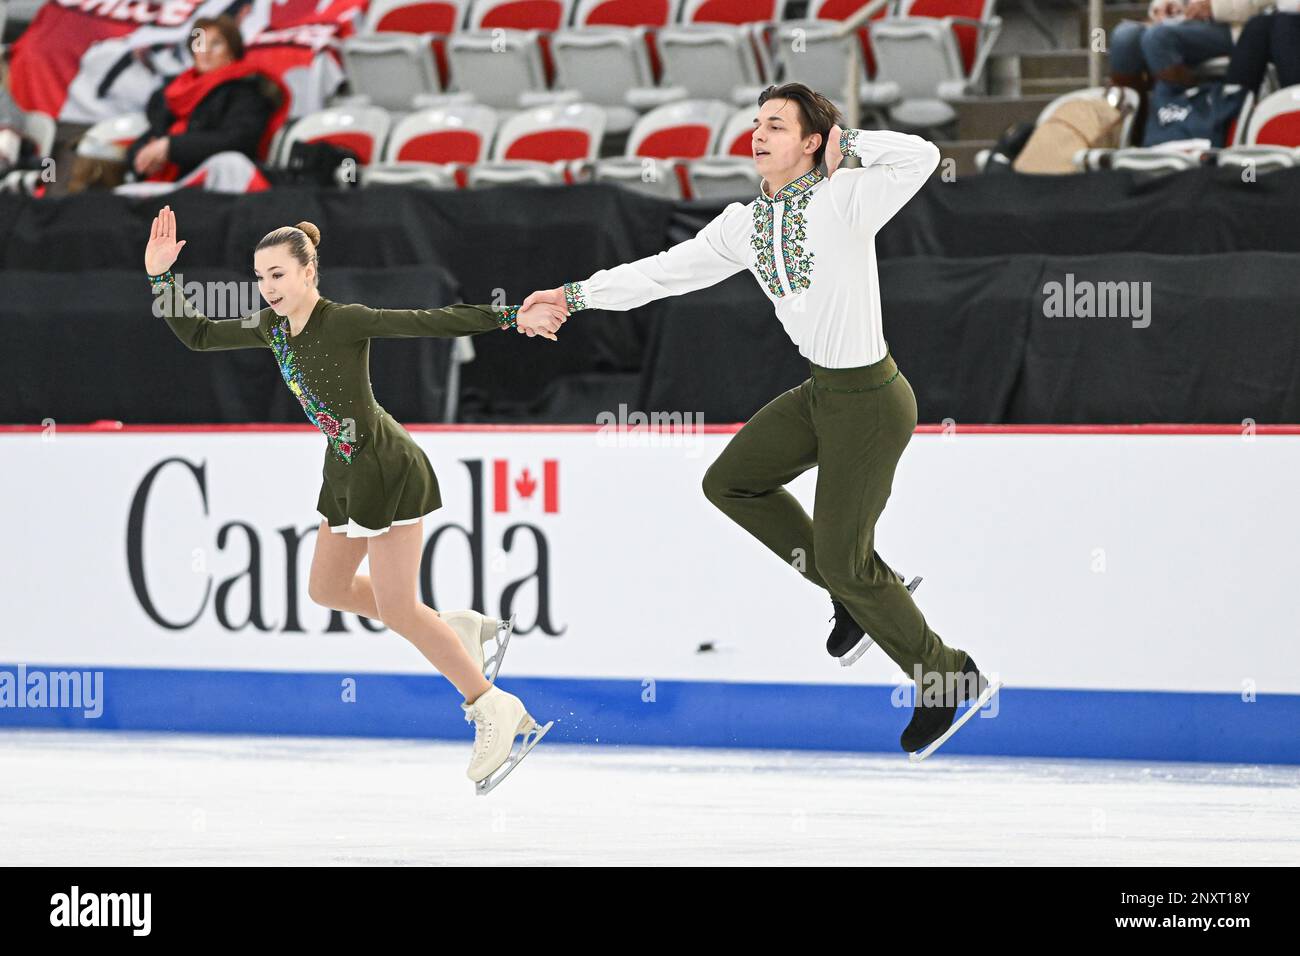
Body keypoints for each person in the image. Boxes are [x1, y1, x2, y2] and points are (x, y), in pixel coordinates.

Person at [521, 83, 1000, 759]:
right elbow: (661, 273)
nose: (759, 133)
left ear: (811, 142)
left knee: (842, 555)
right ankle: (858, 591)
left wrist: (851, 144)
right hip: (820, 396)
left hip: (870, 400)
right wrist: (575, 296)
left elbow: (920, 158)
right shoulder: (744, 225)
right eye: (756, 123)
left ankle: (948, 675)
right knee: (732, 482)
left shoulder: (845, 199)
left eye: (777, 125)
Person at [144, 204, 565, 793]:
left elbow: (426, 321)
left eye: (278, 275)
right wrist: (161, 278)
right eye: (260, 277)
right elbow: (198, 334)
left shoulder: (342, 321)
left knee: (396, 607)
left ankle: (492, 705)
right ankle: (453, 628)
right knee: (327, 588)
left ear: (309, 274)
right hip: (344, 468)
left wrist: (508, 316)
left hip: (384, 465)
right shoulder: (271, 328)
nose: (267, 289)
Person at [126, 15, 288, 184]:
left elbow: (238, 141)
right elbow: (152, 135)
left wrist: (171, 147)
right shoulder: (176, 91)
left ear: (232, 51)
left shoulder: (247, 91)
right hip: (166, 184)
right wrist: (141, 157)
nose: (206, 50)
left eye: (216, 43)